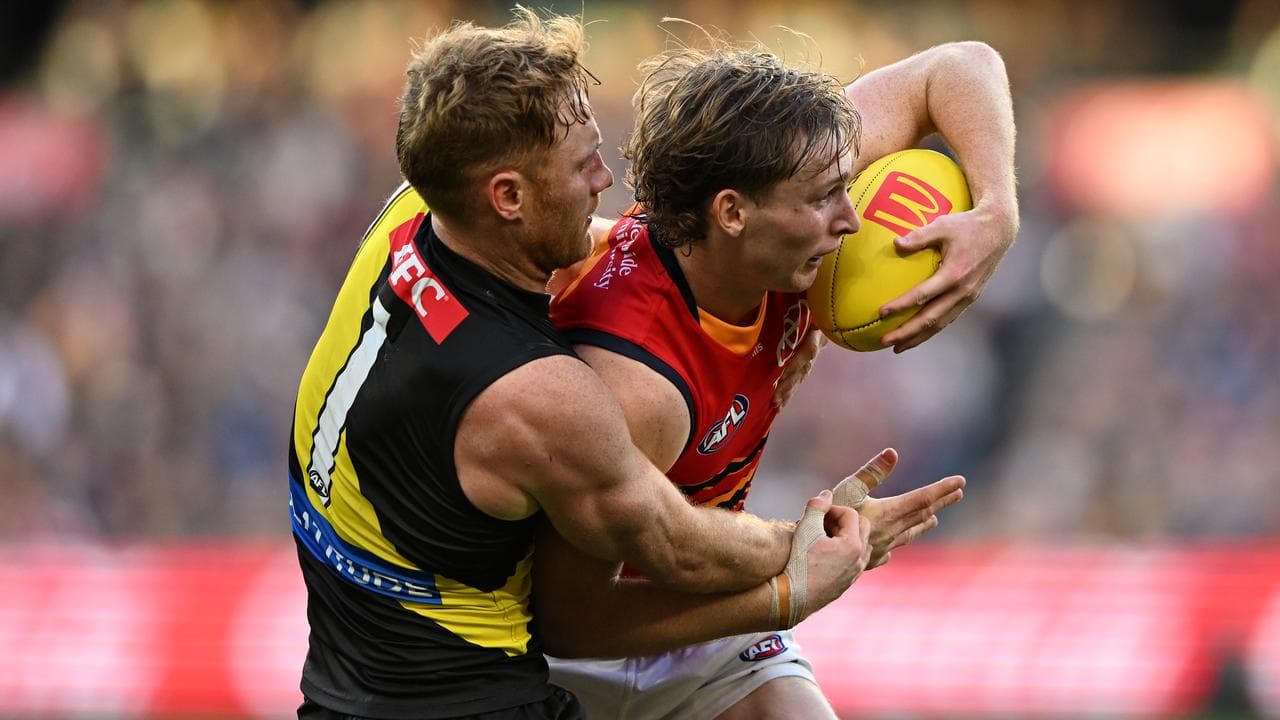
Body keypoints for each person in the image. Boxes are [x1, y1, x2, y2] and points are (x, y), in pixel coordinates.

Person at [287, 10, 877, 720]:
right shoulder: (537, 394)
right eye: (582, 165)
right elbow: (673, 543)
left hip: (343, 665)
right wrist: (811, 556)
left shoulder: (413, 213)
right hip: (457, 698)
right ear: (507, 197)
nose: (607, 177)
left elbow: (949, 72)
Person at [535, 35, 1019, 720]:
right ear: (732, 212)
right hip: (582, 648)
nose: (852, 220)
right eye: (827, 198)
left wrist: (996, 211)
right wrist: (797, 583)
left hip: (702, 612)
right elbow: (570, 618)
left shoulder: (779, 206)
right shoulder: (638, 386)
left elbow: (962, 66)